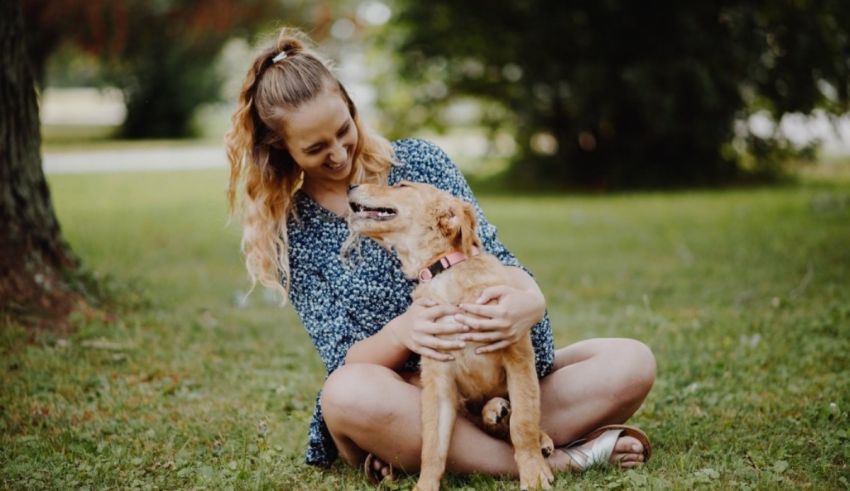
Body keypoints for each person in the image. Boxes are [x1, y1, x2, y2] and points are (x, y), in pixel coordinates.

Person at [225, 28, 656, 484]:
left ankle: (473, 440)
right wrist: (405, 330)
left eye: (344, 130)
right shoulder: (294, 230)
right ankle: (557, 459)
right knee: (346, 394)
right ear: (281, 148)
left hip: (498, 377)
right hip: (407, 399)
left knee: (631, 362)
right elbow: (343, 359)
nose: (339, 154)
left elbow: (491, 253)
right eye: (315, 148)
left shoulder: (419, 163)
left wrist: (530, 301)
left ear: (351, 107)